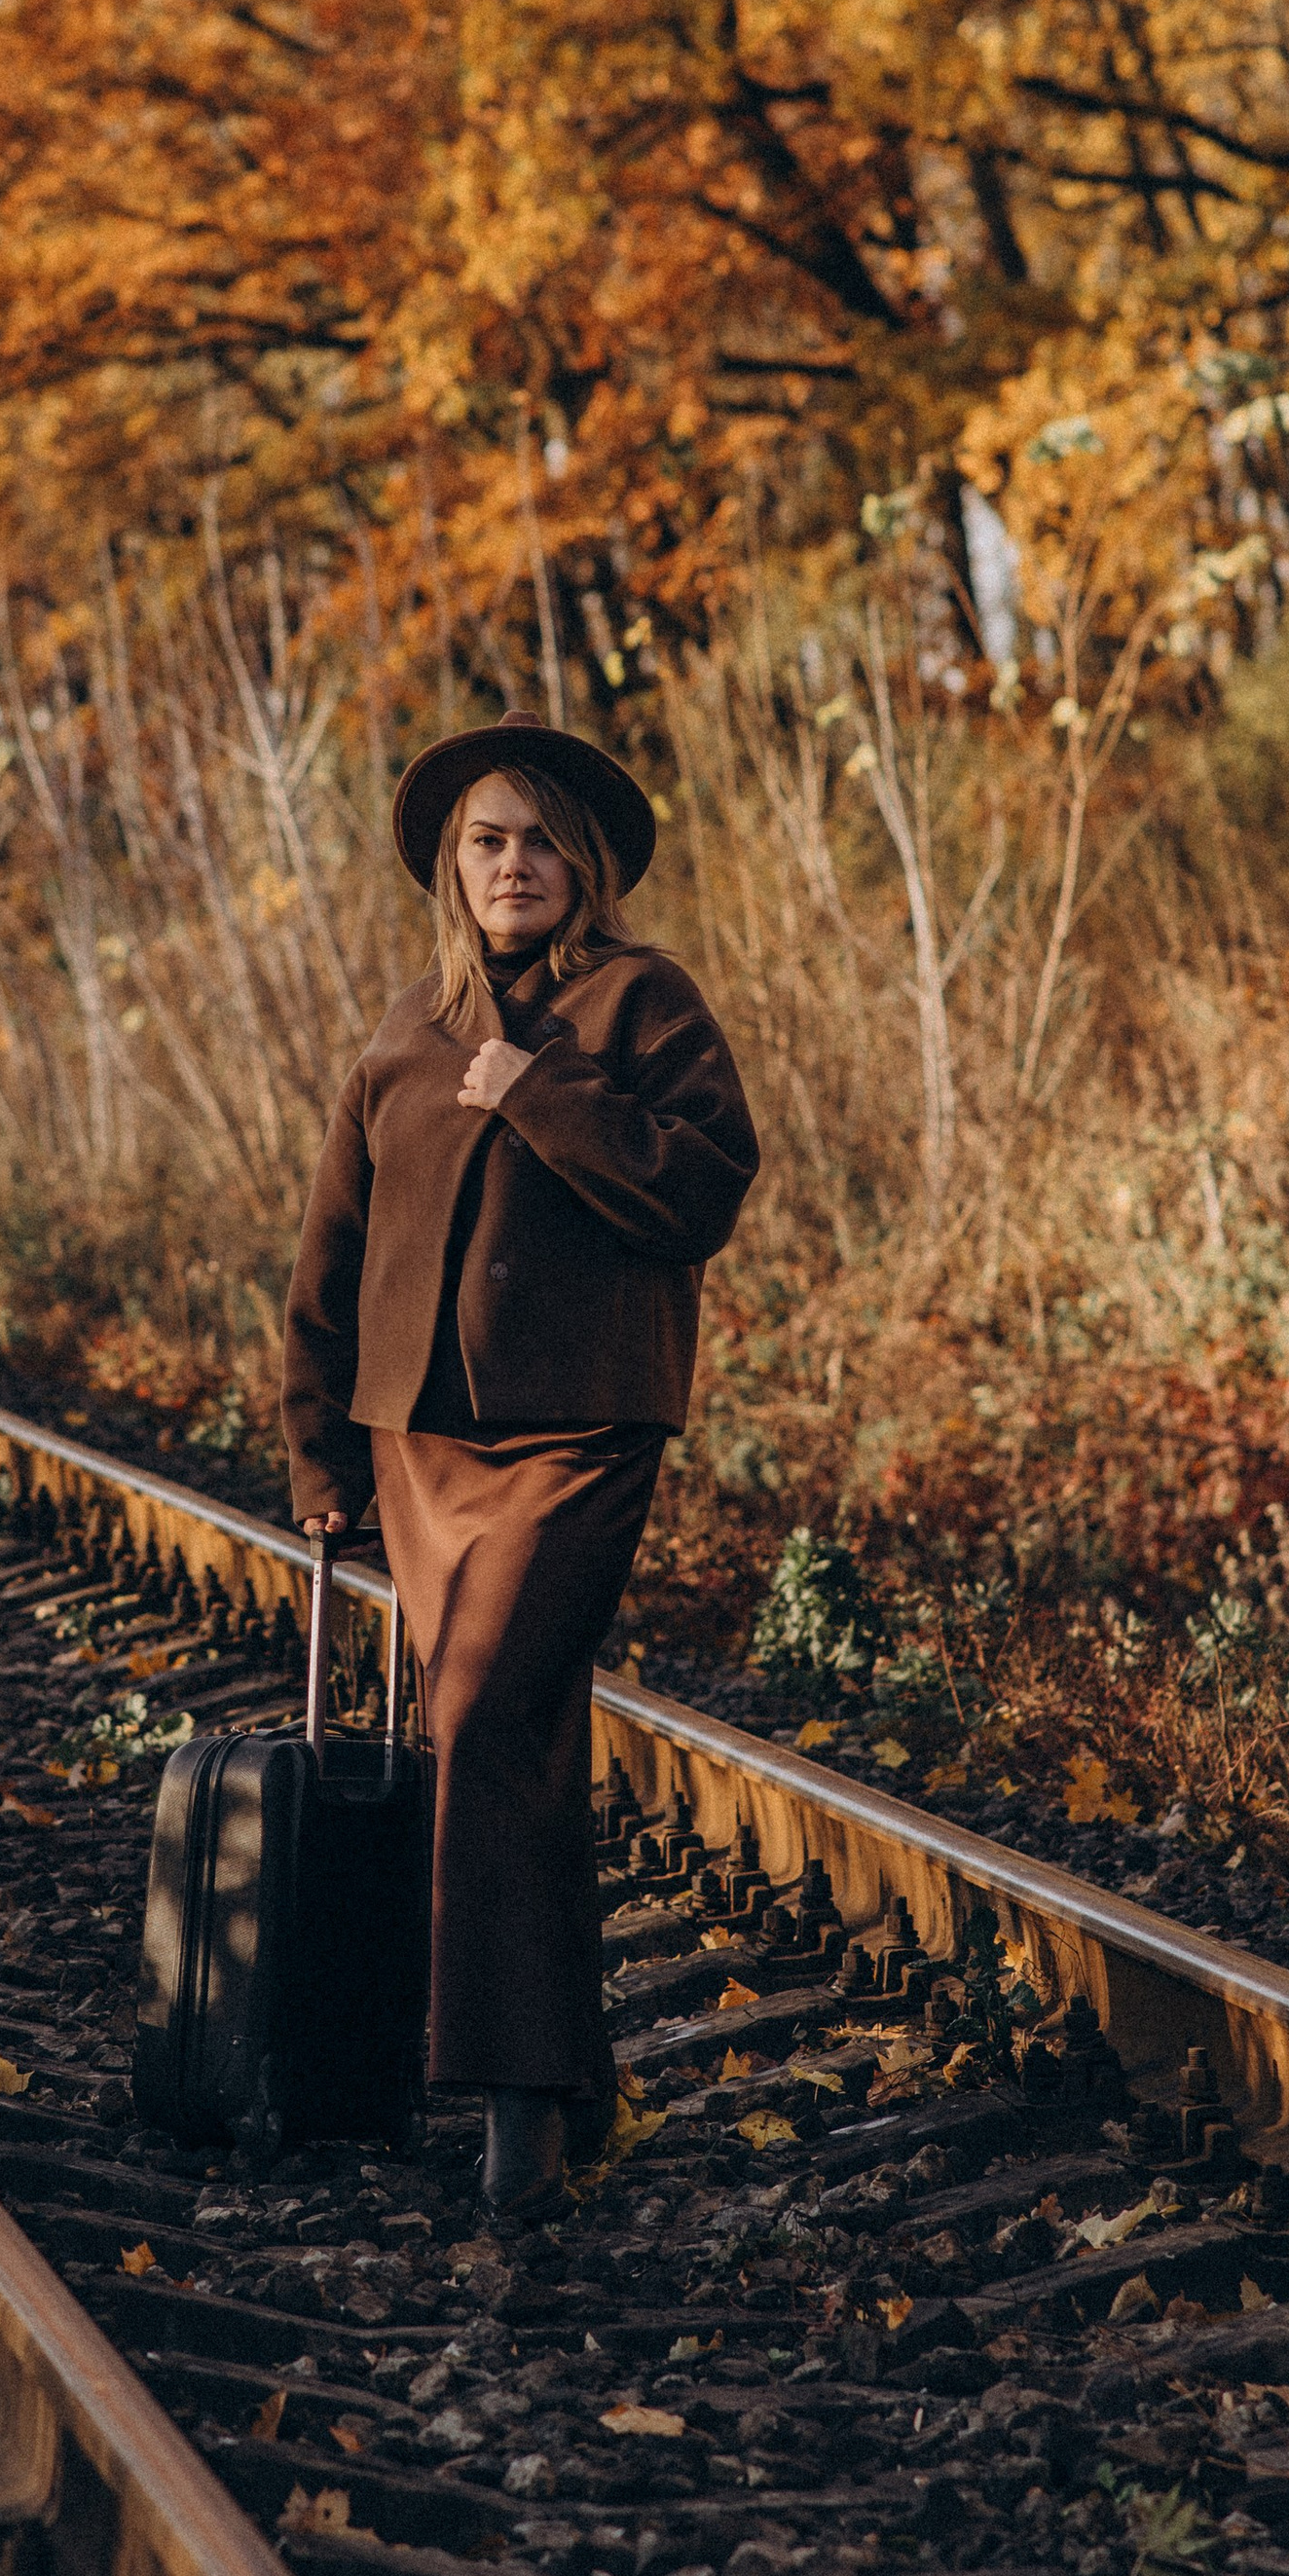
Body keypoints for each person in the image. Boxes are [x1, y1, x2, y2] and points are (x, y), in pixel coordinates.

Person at [281, 706, 758, 2216]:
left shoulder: (641, 1003)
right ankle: (567, 2080)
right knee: (503, 1746)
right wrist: (318, 1455)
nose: (515, 864)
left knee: (484, 1716)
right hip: (417, 1443)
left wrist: (543, 1091)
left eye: (543, 840)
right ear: (450, 865)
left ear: (587, 862)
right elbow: (330, 1260)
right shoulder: (400, 1034)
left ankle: (509, 2115)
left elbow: (704, 1191)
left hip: (580, 1435)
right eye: (488, 841)